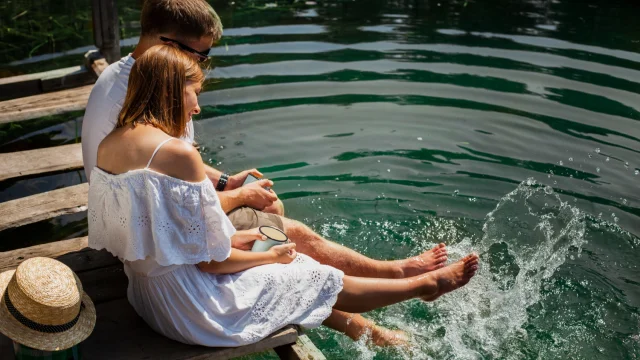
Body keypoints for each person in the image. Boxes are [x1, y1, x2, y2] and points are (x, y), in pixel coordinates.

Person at [81, 0, 452, 345]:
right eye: (195, 92)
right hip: (191, 308)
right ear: (171, 90)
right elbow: (211, 263)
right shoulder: (175, 151)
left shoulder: (112, 142)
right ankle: (419, 286)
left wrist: (236, 227)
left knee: (277, 244)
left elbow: (148, 221)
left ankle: (374, 325)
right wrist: (266, 255)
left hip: (148, 294)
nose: (196, 108)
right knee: (303, 264)